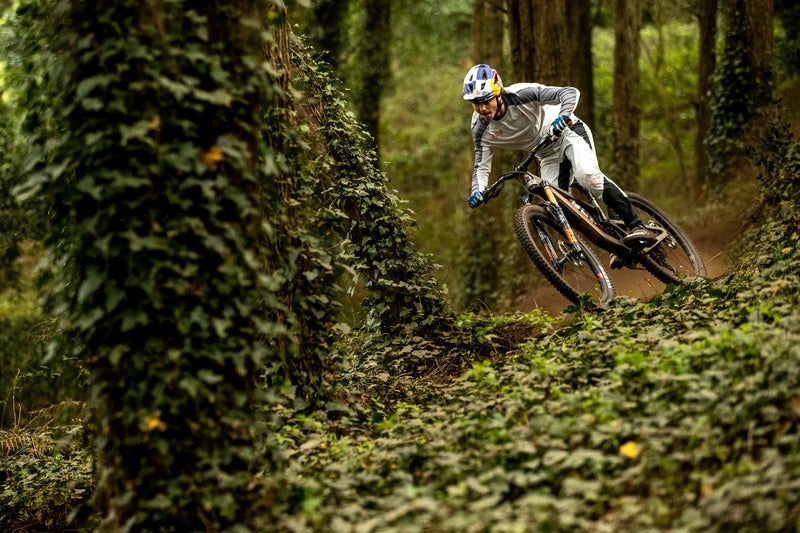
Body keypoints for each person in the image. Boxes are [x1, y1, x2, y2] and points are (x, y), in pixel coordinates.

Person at [461, 63, 655, 249]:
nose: (482, 108)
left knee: (588, 177)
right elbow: (481, 164)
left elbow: (568, 92)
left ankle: (637, 225)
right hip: (547, 154)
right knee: (559, 208)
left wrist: (563, 116)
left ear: (498, 94)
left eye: (486, 100)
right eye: (475, 103)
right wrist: (477, 191)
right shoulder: (480, 129)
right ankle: (616, 243)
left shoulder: (522, 94)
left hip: (568, 133)